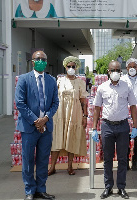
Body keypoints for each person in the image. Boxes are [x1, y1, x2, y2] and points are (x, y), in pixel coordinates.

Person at [15, 51, 59, 200]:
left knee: (42, 159)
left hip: (46, 127)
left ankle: (41, 189)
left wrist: (45, 118)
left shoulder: (52, 80)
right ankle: (29, 191)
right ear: (32, 61)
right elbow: (20, 103)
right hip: (29, 127)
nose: (41, 61)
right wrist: (36, 120)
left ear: (47, 62)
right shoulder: (23, 79)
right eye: (38, 59)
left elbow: (55, 103)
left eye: (43, 59)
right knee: (27, 160)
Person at [92, 61, 137, 199]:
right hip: (107, 126)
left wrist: (135, 126)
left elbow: (133, 106)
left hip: (123, 126)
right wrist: (94, 127)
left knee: (123, 158)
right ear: (108, 71)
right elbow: (97, 108)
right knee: (107, 158)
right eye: (113, 70)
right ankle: (108, 187)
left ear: (121, 72)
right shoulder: (102, 87)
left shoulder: (127, 87)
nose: (115, 72)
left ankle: (122, 187)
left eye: (118, 70)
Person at [48, 56, 89, 176]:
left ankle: (70, 166)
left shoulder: (80, 82)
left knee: (72, 137)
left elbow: (83, 101)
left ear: (76, 67)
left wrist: (85, 116)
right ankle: (52, 167)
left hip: (74, 113)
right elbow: (53, 97)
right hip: (59, 113)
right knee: (57, 138)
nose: (71, 68)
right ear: (65, 67)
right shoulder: (59, 80)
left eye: (73, 66)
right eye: (69, 66)